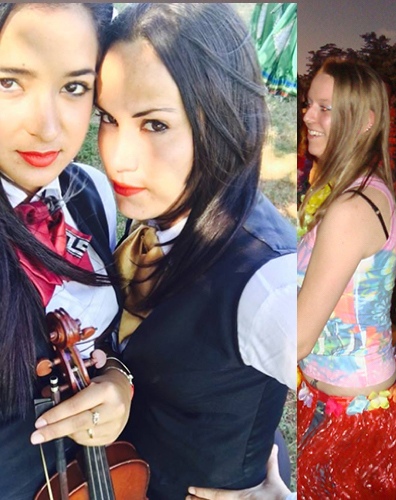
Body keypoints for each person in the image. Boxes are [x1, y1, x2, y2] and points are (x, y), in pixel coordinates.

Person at [97, 4, 296, 499]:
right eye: (108, 118)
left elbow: (343, 382)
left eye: (155, 124)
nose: (118, 157)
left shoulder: (267, 280)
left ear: (221, 117)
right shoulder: (150, 212)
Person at [0, 4, 132, 499]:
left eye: (74, 86)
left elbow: (110, 337)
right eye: (9, 82)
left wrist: (119, 382)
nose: (48, 128)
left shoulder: (92, 191)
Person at [297, 57, 396, 499]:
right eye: (310, 104)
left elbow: (297, 339)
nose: (308, 116)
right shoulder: (351, 189)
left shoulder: (352, 208)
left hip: (350, 419)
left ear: (364, 120)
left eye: (324, 107)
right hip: (331, 401)